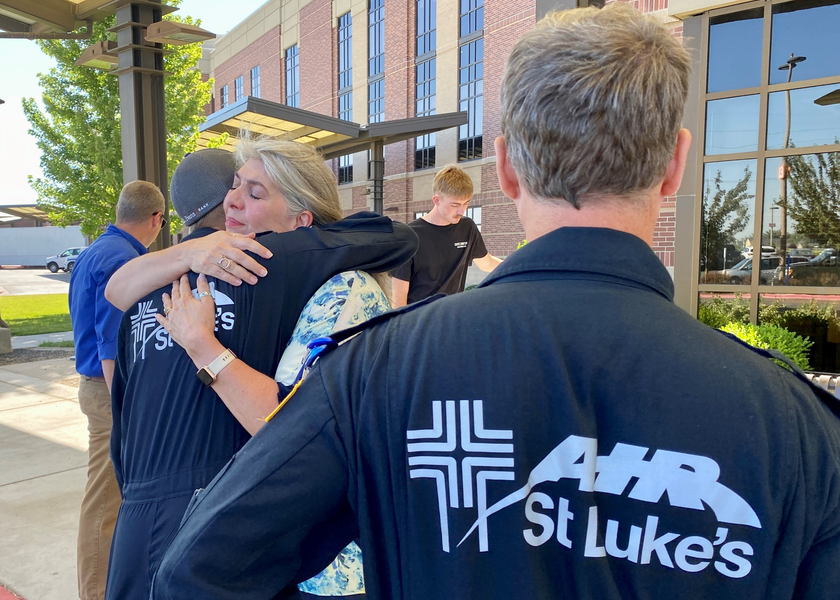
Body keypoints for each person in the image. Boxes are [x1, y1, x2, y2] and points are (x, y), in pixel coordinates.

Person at [152, 4, 840, 599]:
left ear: (505, 167)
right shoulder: (800, 432)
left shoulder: (376, 372)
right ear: (676, 164)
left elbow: (199, 572)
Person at [104, 141, 416, 600]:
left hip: (297, 559)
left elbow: (302, 431)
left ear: (301, 222)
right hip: (201, 529)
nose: (232, 201)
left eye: (254, 193)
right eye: (233, 187)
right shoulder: (181, 281)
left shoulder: (326, 281)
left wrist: (204, 345)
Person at [68, 179, 166, 600]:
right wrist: (126, 405)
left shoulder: (95, 251)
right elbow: (111, 346)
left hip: (95, 389)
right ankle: (95, 593)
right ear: (157, 220)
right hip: (109, 394)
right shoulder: (123, 260)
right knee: (106, 503)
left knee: (110, 499)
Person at [391, 165, 502, 306]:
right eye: (455, 205)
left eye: (466, 203)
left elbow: (487, 263)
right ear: (436, 200)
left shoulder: (467, 228)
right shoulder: (409, 237)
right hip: (420, 320)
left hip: (453, 317)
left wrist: (519, 267)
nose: (461, 211)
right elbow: (399, 296)